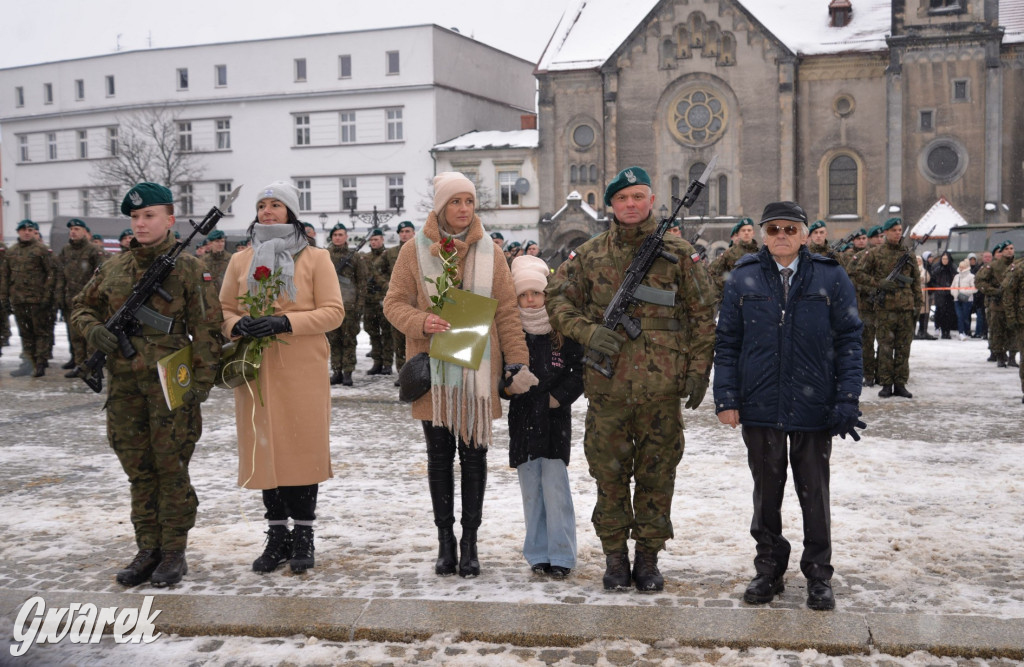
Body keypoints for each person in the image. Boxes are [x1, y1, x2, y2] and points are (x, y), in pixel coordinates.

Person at [547, 166, 716, 592]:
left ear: (650, 199)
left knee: (658, 477)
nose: (630, 205)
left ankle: (648, 559)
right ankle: (615, 558)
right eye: (622, 199)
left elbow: (701, 316)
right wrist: (588, 332)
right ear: (611, 205)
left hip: (663, 392)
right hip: (608, 391)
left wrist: (698, 372)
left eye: (638, 197)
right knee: (609, 476)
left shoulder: (678, 253)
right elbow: (556, 301)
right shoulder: (588, 255)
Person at [713, 200, 863, 612]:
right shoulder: (743, 277)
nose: (782, 236)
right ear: (763, 234)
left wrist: (847, 397)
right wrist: (726, 397)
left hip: (814, 406)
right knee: (767, 495)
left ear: (803, 234)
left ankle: (818, 574)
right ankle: (769, 569)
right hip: (760, 402)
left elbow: (850, 339)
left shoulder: (830, 276)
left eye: (790, 229)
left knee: (814, 495)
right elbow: (727, 342)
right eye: (774, 229)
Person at [71, 182, 223, 587]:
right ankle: (147, 548)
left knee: (170, 466)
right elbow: (81, 306)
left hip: (171, 381)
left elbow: (208, 329)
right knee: (138, 468)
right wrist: (94, 331)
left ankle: (173, 550)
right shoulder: (113, 267)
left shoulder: (189, 267)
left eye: (149, 215)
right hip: (124, 385)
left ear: (170, 219)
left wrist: (200, 386)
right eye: (135, 217)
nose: (140, 223)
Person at [383, 171, 534, 579]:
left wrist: (517, 361)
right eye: (455, 201)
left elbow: (506, 312)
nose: (464, 209)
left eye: (469, 201)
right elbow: (393, 303)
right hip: (433, 371)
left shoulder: (491, 251)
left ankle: (470, 544)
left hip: (478, 372)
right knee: (438, 460)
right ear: (440, 207)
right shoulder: (413, 251)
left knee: (473, 457)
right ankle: (445, 542)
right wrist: (421, 321)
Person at [219, 181, 345, 574]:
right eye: (262, 205)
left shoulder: (315, 258)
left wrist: (284, 321)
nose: (267, 211)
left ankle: (304, 534)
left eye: (276, 204)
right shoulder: (241, 261)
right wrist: (238, 327)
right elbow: (225, 309)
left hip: (302, 368)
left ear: (291, 212)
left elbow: (333, 312)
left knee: (302, 447)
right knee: (266, 448)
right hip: (257, 371)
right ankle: (276, 535)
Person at [500, 255, 584, 579]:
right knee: (531, 491)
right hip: (522, 420)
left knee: (555, 489)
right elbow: (500, 377)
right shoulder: (511, 332)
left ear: (546, 295)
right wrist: (507, 386)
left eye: (535, 293)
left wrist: (557, 397)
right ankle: (537, 552)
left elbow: (579, 372)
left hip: (554, 422)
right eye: (523, 295)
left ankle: (562, 554)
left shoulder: (560, 328)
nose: (530, 300)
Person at [852, 217, 922, 398]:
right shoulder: (875, 253)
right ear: (886, 233)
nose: (898, 233)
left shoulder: (908, 254)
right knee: (885, 347)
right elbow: (858, 273)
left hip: (905, 308)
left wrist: (917, 305)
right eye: (894, 230)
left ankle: (900, 383)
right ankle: (886, 383)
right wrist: (879, 283)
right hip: (885, 309)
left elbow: (915, 283)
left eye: (900, 230)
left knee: (903, 348)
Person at [2, 219, 56, 377]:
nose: (26, 232)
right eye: (23, 229)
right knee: (25, 333)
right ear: (18, 232)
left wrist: (47, 296)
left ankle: (40, 363)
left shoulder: (42, 250)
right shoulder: (11, 252)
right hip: (18, 300)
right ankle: (28, 362)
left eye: (30, 230)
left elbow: (51, 274)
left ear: (34, 232)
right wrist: (4, 298)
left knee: (40, 332)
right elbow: (5, 276)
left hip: (37, 300)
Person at [55, 218, 106, 377]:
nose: (73, 232)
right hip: (70, 300)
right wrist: (59, 295)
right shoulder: (65, 250)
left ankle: (92, 366)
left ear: (84, 232)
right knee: (75, 336)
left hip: (89, 301)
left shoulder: (93, 250)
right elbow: (60, 274)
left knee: (90, 336)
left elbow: (101, 275)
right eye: (71, 229)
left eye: (77, 229)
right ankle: (79, 365)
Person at [326, 222, 367, 385]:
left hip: (349, 306)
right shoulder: (325, 255)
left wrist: (359, 305)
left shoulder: (355, 257)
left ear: (346, 237)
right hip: (330, 306)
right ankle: (336, 371)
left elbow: (362, 282)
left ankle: (348, 372)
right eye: (335, 235)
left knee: (349, 340)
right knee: (333, 340)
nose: (337, 238)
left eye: (340, 235)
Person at [976, 242, 1015, 367]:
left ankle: (1013, 357)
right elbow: (979, 281)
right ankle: (1000, 356)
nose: (1010, 251)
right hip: (998, 305)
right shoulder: (993, 266)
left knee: (1014, 332)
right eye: (1007, 249)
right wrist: (994, 291)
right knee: (998, 331)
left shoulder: (1017, 265)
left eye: (1012, 248)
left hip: (1014, 305)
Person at [386, 221, 416, 378]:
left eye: (407, 231)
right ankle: (402, 374)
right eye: (402, 231)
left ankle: (416, 373)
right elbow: (376, 269)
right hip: (399, 301)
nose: (404, 234)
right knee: (398, 341)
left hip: (416, 303)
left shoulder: (420, 251)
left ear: (413, 233)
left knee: (415, 339)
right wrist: (391, 285)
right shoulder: (391, 253)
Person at [364, 228, 394, 375]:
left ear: (382, 240)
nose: (374, 242)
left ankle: (388, 363)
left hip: (384, 298)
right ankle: (377, 362)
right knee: (373, 333)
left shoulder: (387, 256)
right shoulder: (365, 257)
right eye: (371, 240)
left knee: (387, 333)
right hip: (369, 301)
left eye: (376, 239)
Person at [708, 218, 758, 300]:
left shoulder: (759, 254)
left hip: (755, 299)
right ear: (738, 234)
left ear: (753, 233)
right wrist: (728, 283)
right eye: (743, 230)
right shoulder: (729, 253)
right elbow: (711, 272)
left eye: (749, 230)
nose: (746, 233)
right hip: (734, 299)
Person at [930, 251, 958, 339]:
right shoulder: (937, 267)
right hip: (939, 293)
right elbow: (932, 279)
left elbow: (956, 279)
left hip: (949, 294)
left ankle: (947, 331)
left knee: (949, 313)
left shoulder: (953, 267)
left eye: (946, 259)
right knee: (939, 312)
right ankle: (938, 328)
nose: (945, 260)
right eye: (943, 258)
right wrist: (937, 288)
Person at [951, 259, 976, 340]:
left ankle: (966, 331)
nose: (961, 268)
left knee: (965, 316)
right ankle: (961, 332)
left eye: (963, 267)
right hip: (957, 299)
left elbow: (975, 288)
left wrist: (964, 292)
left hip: (967, 300)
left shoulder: (971, 276)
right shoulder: (956, 276)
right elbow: (952, 287)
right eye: (960, 267)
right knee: (959, 316)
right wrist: (955, 294)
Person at [200, 229, 233, 294]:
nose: (220, 244)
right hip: (209, 297)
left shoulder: (231, 259)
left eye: (222, 241)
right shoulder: (203, 260)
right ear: (210, 243)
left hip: (227, 295)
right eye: (217, 241)